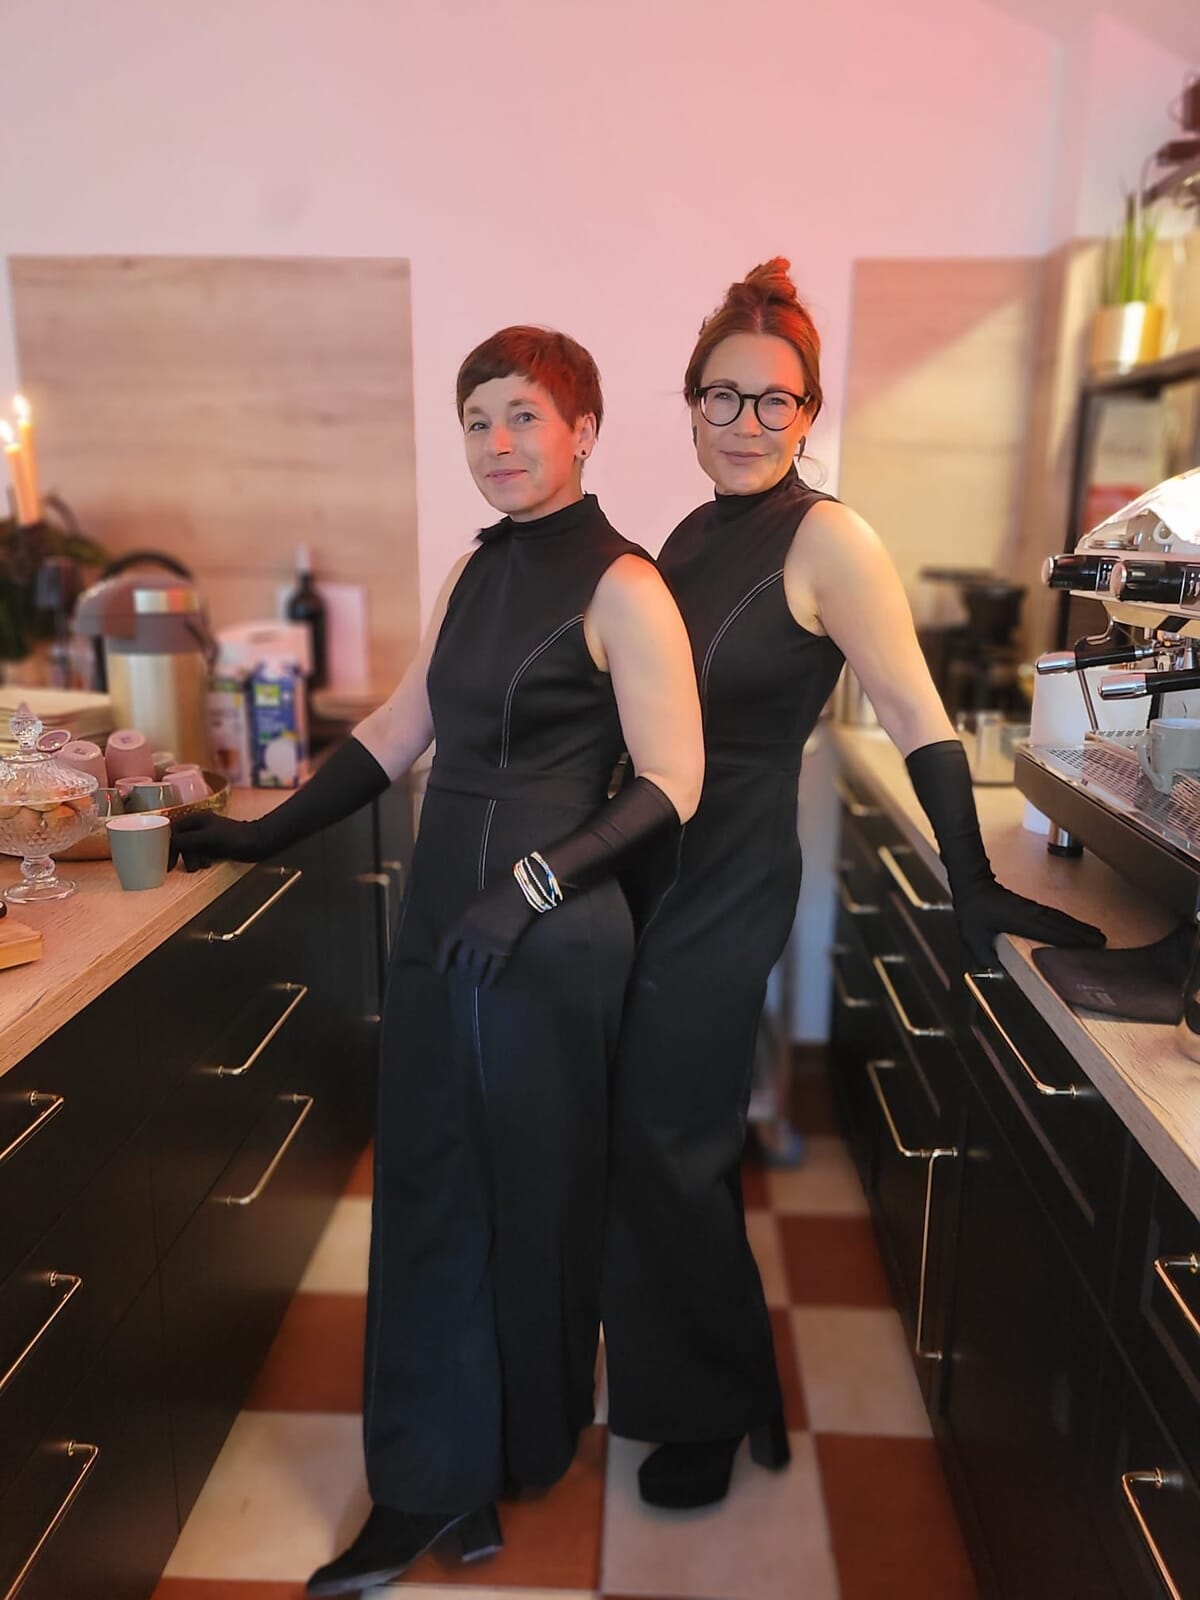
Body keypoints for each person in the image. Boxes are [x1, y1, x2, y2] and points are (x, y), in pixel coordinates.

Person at [172, 327, 704, 1593]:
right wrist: (257, 835)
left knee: (473, 1199)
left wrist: (523, 889)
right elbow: (396, 734)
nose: (499, 445)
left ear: (581, 428)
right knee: (451, 1191)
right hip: (446, 928)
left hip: (540, 936)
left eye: (524, 416)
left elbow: (674, 780)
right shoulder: (476, 571)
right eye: (477, 421)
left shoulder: (626, 584)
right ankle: (492, 1454)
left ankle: (432, 1481)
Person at [600, 259, 1104, 1512]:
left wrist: (972, 882)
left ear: (810, 411)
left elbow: (921, 718)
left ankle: (713, 1409)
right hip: (646, 873)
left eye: (777, 401)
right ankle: (717, 1385)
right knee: (663, 1142)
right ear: (692, 403)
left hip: (726, 886)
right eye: (725, 397)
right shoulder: (685, 535)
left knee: (668, 1140)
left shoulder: (829, 539)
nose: (748, 423)